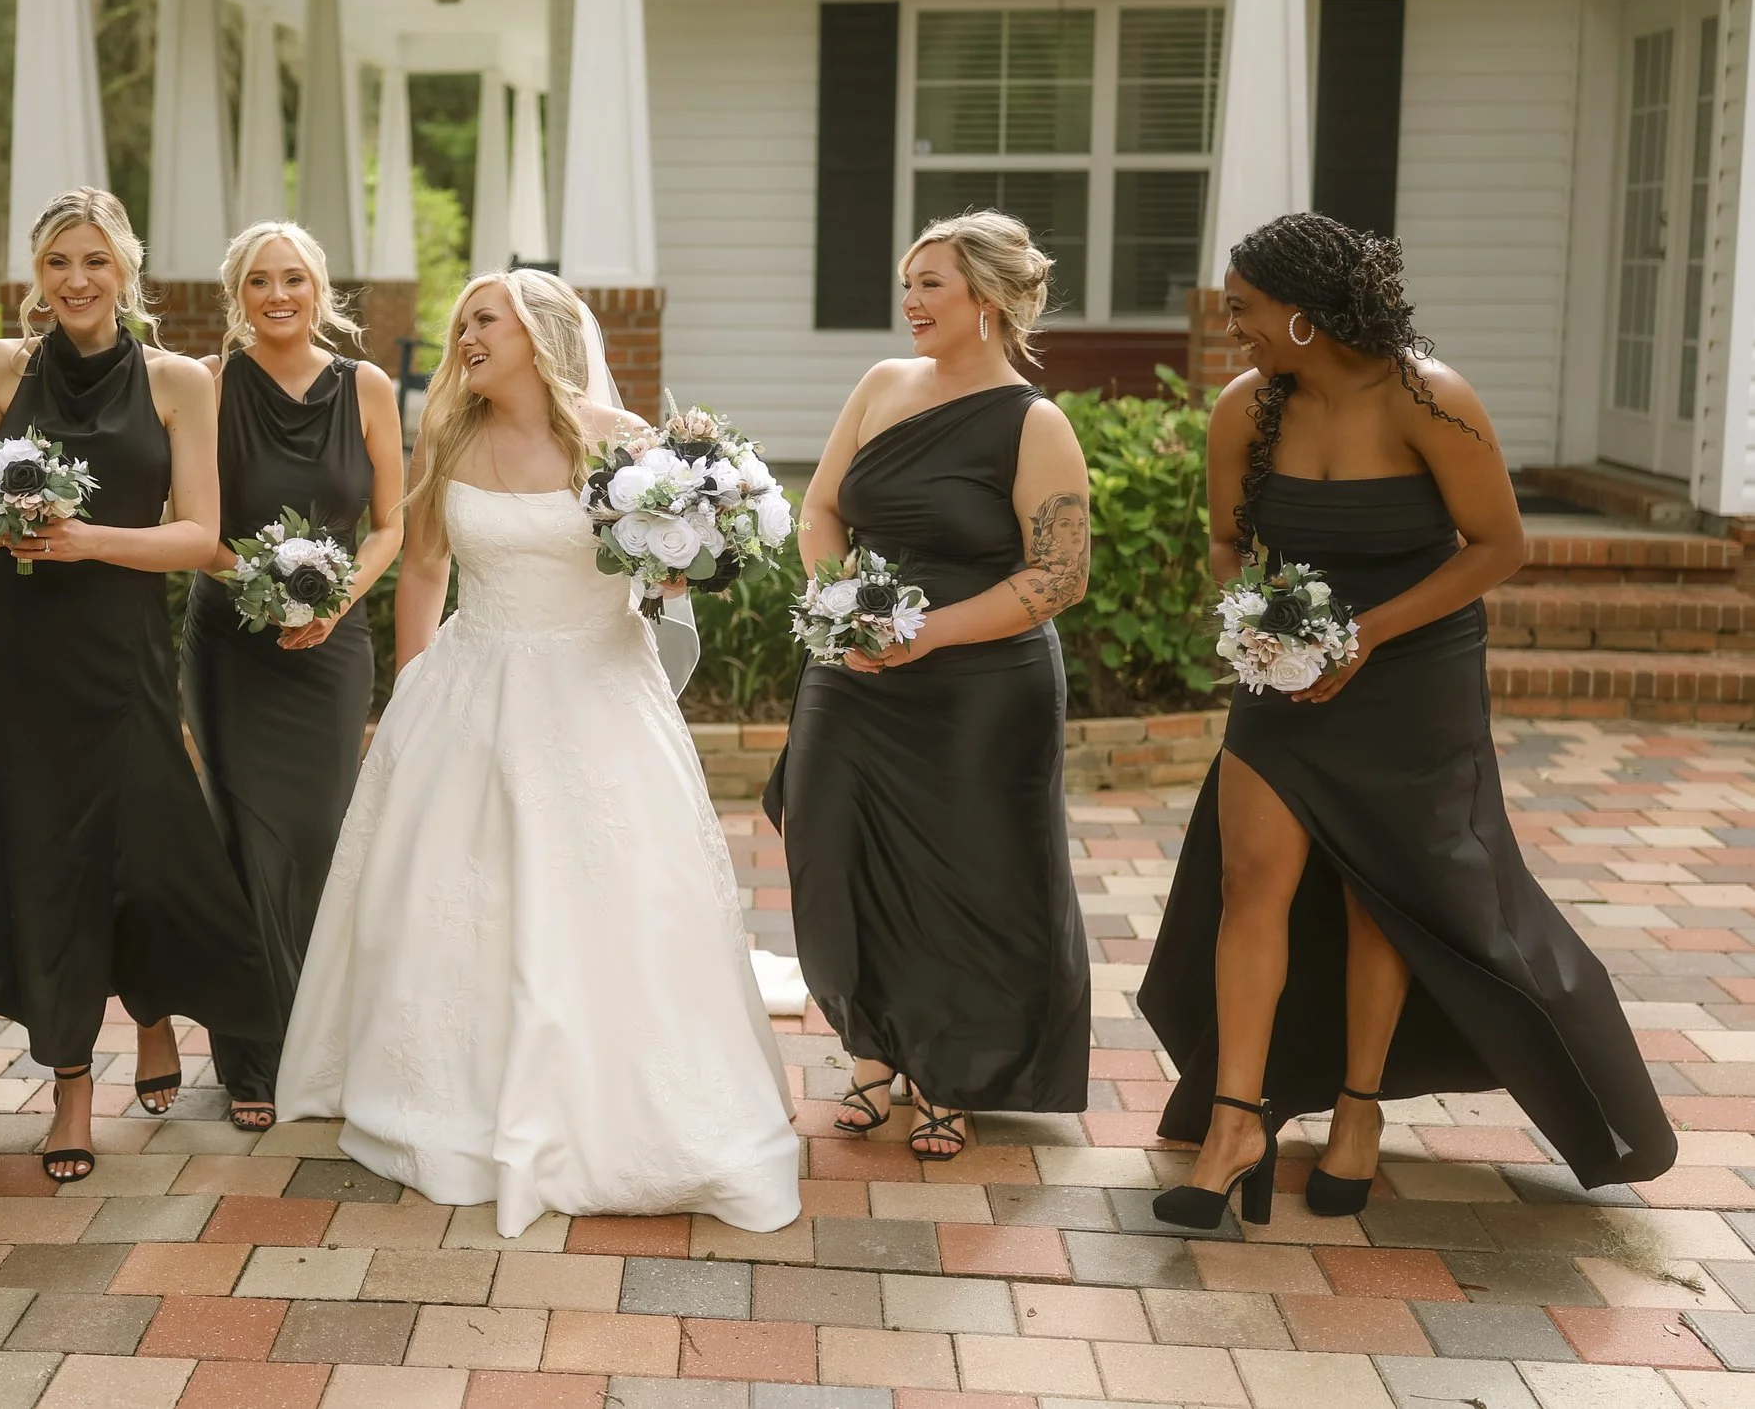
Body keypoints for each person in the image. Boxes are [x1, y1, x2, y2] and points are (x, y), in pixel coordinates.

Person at [1142, 211, 1674, 1228]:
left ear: (1302, 314)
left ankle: (1357, 1112)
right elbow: (1224, 543)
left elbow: (1496, 546)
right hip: (1287, 676)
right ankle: (1232, 1122)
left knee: (1378, 890)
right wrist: (1259, 629)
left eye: (1245, 306)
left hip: (1412, 665)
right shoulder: (1242, 409)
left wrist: (1367, 634)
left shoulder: (1432, 396)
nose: (1231, 323)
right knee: (1249, 880)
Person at [277, 268, 801, 1238]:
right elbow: (426, 568)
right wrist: (412, 695)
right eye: (462, 321)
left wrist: (691, 560)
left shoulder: (623, 442)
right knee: (456, 896)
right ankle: (450, 1095)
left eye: (485, 319)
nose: (465, 335)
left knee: (612, 893)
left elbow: (681, 564)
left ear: (538, 333)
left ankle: (629, 1098)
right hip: (473, 685)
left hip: (599, 690)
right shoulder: (449, 434)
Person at [0, 187, 272, 1183]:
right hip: (21, 651)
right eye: (57, 263)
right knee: (44, 860)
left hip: (121, 648)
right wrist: (12, 522)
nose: (76, 281)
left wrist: (88, 536)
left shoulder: (180, 380)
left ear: (125, 268)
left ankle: (157, 1010)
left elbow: (200, 534)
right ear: (35, 276)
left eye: (94, 260)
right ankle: (71, 1087)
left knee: (144, 846)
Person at [766, 210, 1093, 1164]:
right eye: (908, 283)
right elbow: (820, 507)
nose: (910, 301)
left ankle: (952, 1073)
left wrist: (925, 632)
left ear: (987, 299)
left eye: (931, 284)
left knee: (967, 874)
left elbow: (1058, 576)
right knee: (833, 846)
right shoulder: (881, 386)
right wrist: (840, 608)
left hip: (981, 687)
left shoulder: (1035, 421)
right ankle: (871, 1050)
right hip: (854, 669)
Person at [183, 222, 405, 1133]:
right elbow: (185, 520)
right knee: (245, 844)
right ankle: (251, 1054)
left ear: (321, 290)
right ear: (237, 293)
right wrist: (265, 589)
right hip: (232, 644)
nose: (280, 297)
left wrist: (333, 600)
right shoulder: (205, 384)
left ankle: (330, 1043)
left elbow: (389, 522)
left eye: (296, 280)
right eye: (261, 282)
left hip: (333, 648)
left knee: (322, 837)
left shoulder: (369, 387)